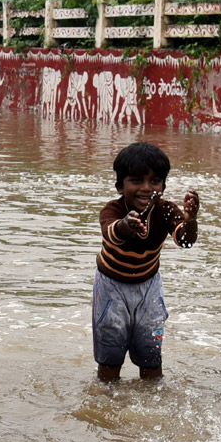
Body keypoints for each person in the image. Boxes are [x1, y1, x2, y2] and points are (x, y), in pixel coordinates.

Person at [93, 142, 199, 382]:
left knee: (151, 354)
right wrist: (126, 225)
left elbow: (185, 241)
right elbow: (111, 233)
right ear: (120, 186)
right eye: (136, 181)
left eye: (154, 181)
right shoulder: (112, 210)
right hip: (111, 287)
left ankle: (151, 399)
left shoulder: (165, 211)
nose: (146, 188)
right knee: (110, 354)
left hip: (149, 287)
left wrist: (191, 220)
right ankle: (107, 406)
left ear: (163, 186)